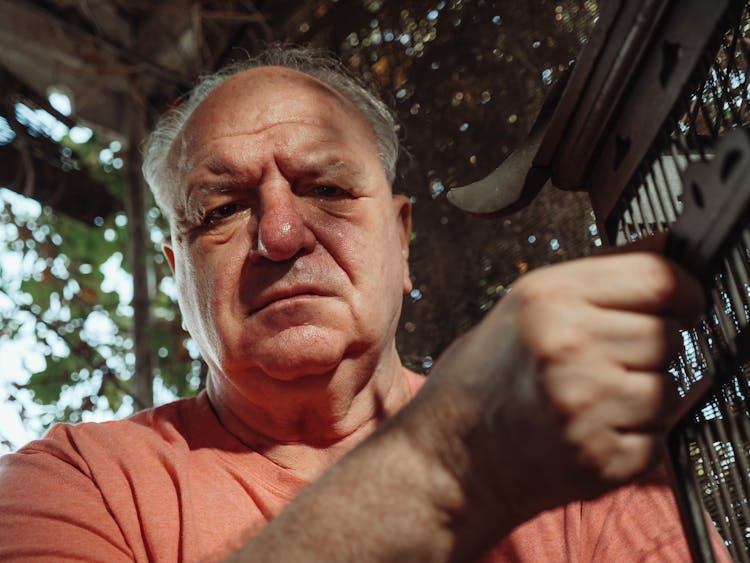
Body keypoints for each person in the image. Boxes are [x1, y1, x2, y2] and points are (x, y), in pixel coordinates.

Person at [0, 46, 730, 562]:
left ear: (403, 240)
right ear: (177, 274)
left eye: (327, 189)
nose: (281, 235)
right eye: (223, 207)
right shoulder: (78, 481)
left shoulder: (566, 448)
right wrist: (446, 465)